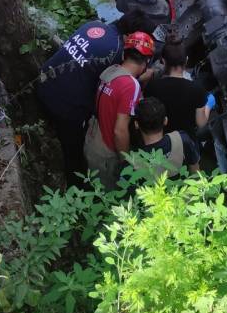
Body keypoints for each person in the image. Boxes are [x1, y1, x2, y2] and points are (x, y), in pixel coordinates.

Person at [36, 11, 149, 183]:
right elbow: (118, 83)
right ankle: (76, 188)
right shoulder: (116, 51)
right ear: (130, 36)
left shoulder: (95, 25)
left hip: (45, 81)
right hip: (65, 104)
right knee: (73, 150)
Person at [83, 31, 154, 188]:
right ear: (146, 61)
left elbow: (120, 87)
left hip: (93, 137)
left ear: (124, 54)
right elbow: (119, 131)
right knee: (106, 195)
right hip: (106, 152)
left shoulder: (112, 70)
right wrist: (127, 162)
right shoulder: (131, 86)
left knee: (94, 185)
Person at [144, 41, 208, 136]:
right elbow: (201, 123)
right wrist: (208, 106)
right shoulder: (197, 89)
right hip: (184, 142)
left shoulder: (152, 86)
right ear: (186, 60)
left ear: (163, 61)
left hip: (159, 139)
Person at [130, 97, 200, 175]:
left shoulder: (133, 161)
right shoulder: (182, 139)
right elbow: (196, 173)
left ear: (136, 124)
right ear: (165, 121)